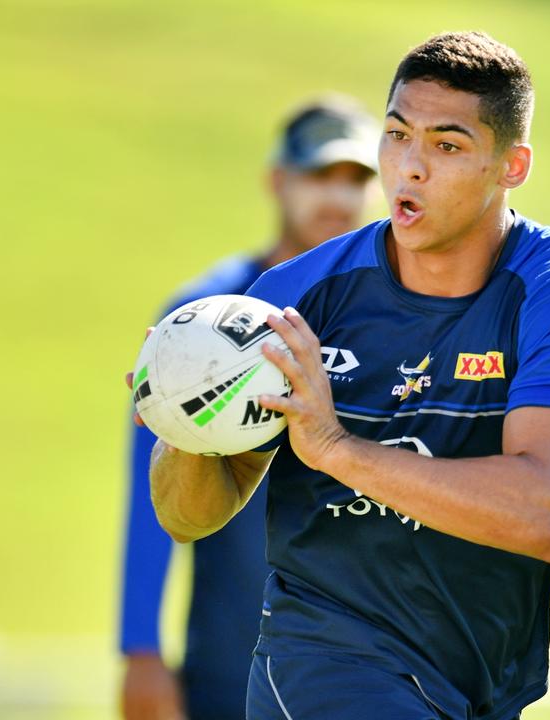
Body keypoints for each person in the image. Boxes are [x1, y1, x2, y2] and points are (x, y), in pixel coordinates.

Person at [134, 31, 550, 720]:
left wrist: (336, 449)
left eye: (447, 145)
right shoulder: (299, 296)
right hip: (318, 667)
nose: (410, 168)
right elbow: (189, 516)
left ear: (511, 166)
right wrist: (186, 420)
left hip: (478, 686)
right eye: (397, 135)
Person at [118, 97, 379, 720]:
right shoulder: (202, 317)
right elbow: (148, 493)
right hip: (228, 665)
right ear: (276, 180)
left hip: (364, 669)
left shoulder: (388, 317)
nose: (337, 199)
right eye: (319, 175)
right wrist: (140, 652)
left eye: (357, 179)